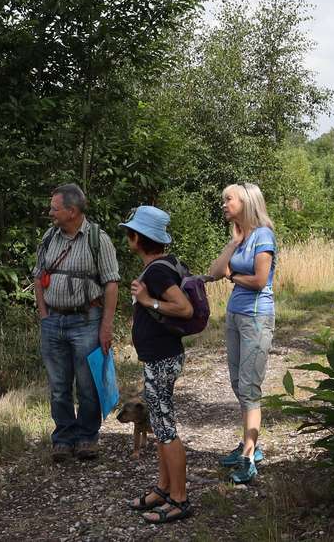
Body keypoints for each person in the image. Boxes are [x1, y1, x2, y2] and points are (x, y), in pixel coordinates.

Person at [33, 183, 120, 463]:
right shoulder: (49, 237)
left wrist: (105, 326)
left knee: (86, 384)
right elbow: (38, 276)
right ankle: (63, 438)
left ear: (72, 211)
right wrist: (44, 314)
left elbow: (111, 284)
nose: (50, 213)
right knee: (58, 386)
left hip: (86, 321)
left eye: (55, 209)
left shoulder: (98, 239)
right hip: (53, 322)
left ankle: (86, 437)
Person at [120, 206, 194, 524]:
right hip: (159, 358)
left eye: (129, 232)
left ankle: (179, 499)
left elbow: (184, 308)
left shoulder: (156, 272)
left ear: (138, 238)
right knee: (162, 427)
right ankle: (164, 489)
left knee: (166, 430)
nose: (127, 237)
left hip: (162, 360)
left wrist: (146, 299)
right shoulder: (159, 267)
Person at [207, 182, 277, 485]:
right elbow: (214, 271)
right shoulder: (240, 236)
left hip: (256, 317)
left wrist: (232, 275)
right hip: (235, 315)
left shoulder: (264, 235)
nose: (223, 204)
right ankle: (249, 445)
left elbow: (261, 280)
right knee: (237, 382)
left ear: (246, 202)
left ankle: (249, 457)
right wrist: (233, 244)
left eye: (228, 199)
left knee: (249, 387)